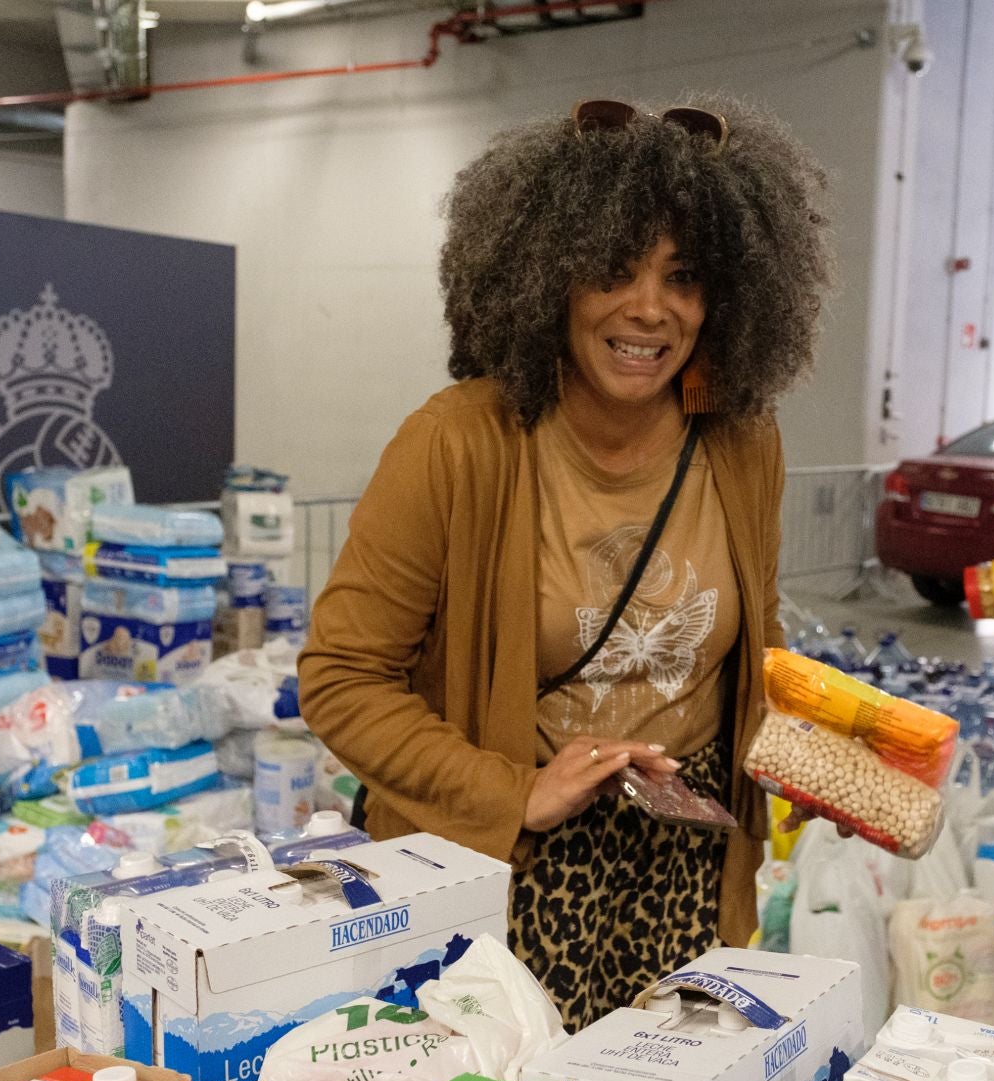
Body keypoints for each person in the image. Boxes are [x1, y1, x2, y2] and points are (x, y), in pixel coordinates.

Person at [298, 98, 831, 1031]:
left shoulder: (744, 442)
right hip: (506, 872)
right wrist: (515, 793)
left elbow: (760, 635)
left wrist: (804, 751)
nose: (649, 310)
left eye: (683, 276)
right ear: (544, 278)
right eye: (612, 271)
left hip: (687, 871)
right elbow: (342, 681)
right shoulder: (457, 443)